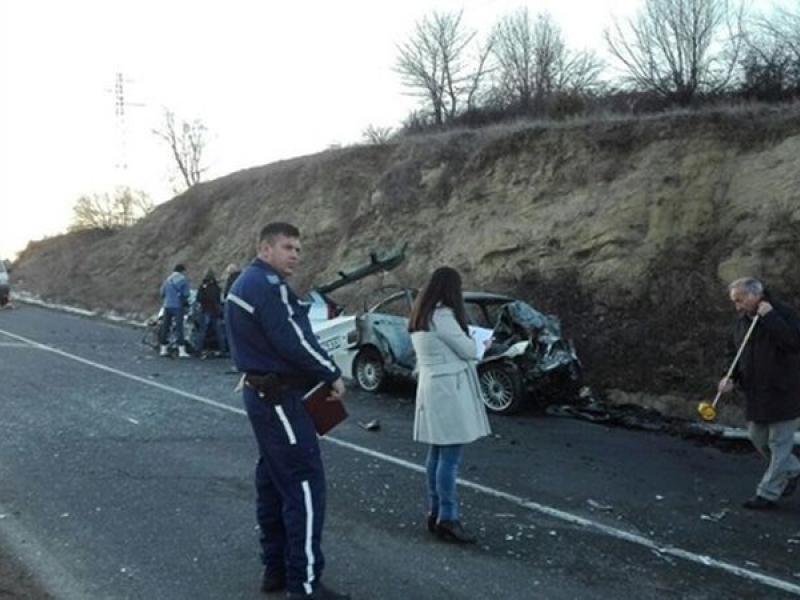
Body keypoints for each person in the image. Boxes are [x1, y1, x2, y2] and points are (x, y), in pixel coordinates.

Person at [224, 222, 350, 600]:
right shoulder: (268, 286)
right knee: (304, 485)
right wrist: (331, 373)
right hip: (279, 399)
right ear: (265, 249)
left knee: (273, 482)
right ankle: (305, 584)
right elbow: (293, 340)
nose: (296, 254)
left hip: (261, 394)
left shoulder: (245, 284)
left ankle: (275, 569)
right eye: (288, 247)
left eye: (298, 247)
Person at [408, 266, 491, 543]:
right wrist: (480, 342)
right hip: (449, 390)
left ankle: (435, 512)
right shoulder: (443, 316)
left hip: (433, 387)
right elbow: (468, 350)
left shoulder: (422, 315)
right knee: (450, 457)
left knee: (438, 453)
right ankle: (448, 517)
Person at [718, 277, 800, 510]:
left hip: (785, 391)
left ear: (755, 295)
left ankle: (767, 493)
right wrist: (729, 377)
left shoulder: (783, 313)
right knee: (757, 438)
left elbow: (794, 342)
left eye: (740, 300)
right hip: (756, 393)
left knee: (779, 443)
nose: (737, 306)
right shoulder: (741, 322)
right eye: (735, 301)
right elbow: (732, 353)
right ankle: (793, 470)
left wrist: (770, 318)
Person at [159, 263, 191, 358]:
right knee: (179, 328)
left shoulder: (167, 279)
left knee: (165, 327)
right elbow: (186, 294)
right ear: (182, 271)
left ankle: (163, 349)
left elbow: (162, 292)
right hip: (178, 306)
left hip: (167, 305)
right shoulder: (183, 280)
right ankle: (181, 350)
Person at [195, 268, 228, 357]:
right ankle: (223, 350)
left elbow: (199, 298)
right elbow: (219, 299)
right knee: (219, 331)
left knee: (202, 331)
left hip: (205, 309)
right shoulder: (216, 287)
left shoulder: (203, 286)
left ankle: (198, 350)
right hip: (215, 311)